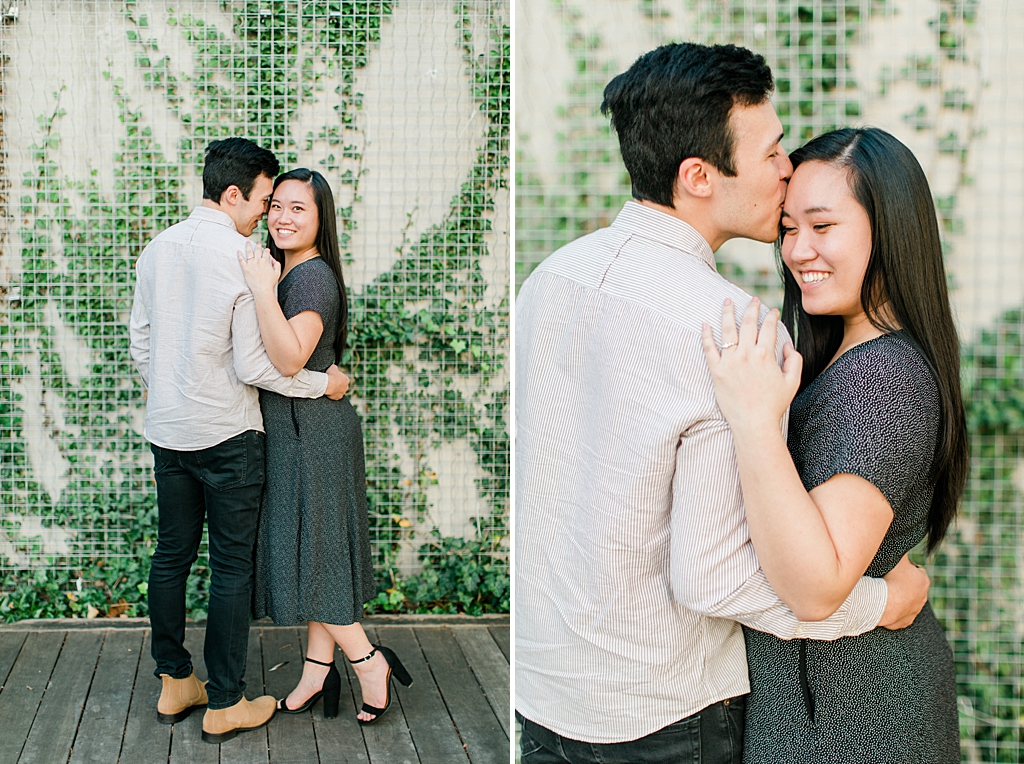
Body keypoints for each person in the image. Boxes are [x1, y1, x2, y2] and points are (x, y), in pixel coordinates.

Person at [514, 42, 931, 763]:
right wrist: (880, 604)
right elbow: (713, 576)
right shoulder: (730, 325)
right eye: (771, 151)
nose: (785, 167)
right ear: (699, 176)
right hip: (666, 712)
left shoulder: (550, 280)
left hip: (542, 693)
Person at [700, 127, 967, 763]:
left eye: (823, 226)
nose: (798, 250)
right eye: (790, 228)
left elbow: (817, 588)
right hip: (828, 698)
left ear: (891, 231)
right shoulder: (841, 356)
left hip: (856, 716)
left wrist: (754, 420)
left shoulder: (886, 378)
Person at [130, 138, 350, 743]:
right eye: (262, 200)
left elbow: (140, 343)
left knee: (171, 555)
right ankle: (225, 701)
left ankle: (176, 681)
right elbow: (259, 367)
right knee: (229, 566)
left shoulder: (158, 248)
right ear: (234, 194)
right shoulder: (245, 257)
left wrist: (170, 399)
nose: (265, 214)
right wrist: (323, 383)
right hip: (228, 435)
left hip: (169, 434)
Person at [236, 167, 412, 726]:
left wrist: (262, 289)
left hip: (314, 435)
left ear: (320, 220)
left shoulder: (309, 280)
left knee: (318, 556)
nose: (284, 218)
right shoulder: (284, 272)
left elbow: (289, 359)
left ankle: (367, 662)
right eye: (278, 206)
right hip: (297, 431)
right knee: (318, 553)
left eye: (299, 210)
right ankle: (316, 672)